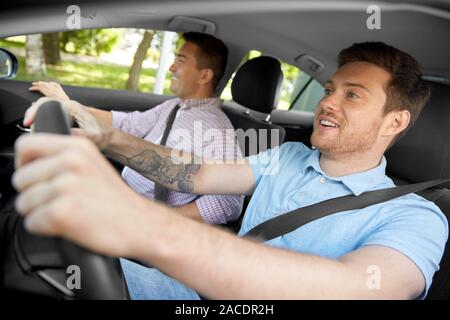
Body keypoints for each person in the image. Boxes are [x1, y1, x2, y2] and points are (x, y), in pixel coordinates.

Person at [14, 42, 448, 299]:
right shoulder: (288, 156)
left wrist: (143, 225)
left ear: (394, 122)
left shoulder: (416, 218)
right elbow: (193, 174)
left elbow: (350, 287)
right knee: (34, 251)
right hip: (197, 294)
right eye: (331, 89)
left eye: (353, 96)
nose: (327, 102)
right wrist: (106, 139)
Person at [27, 32, 244, 225]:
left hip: (139, 215)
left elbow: (228, 202)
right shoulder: (176, 105)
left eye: (180, 60)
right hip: (120, 193)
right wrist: (69, 104)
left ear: (204, 76)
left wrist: (155, 220)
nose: (171, 67)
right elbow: (129, 123)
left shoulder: (216, 128)